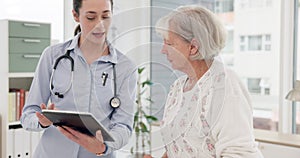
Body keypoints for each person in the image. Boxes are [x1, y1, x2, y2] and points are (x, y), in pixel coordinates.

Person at [20, 0, 137, 157]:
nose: (100, 25)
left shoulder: (125, 67)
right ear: (76, 15)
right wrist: (42, 121)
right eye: (91, 17)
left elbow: (124, 126)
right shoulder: (52, 56)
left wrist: (103, 146)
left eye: (106, 16)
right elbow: (28, 114)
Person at [148, 5, 264, 158]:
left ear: (193, 47)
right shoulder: (178, 87)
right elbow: (179, 147)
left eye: (169, 43)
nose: (163, 50)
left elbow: (238, 154)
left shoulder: (224, 85)